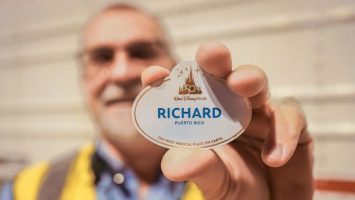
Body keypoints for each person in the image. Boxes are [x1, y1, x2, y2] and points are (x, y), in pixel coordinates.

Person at [0, 3, 313, 200]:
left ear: (173, 65)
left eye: (141, 51)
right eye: (102, 57)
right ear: (83, 77)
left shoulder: (235, 173)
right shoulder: (28, 189)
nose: (121, 72)